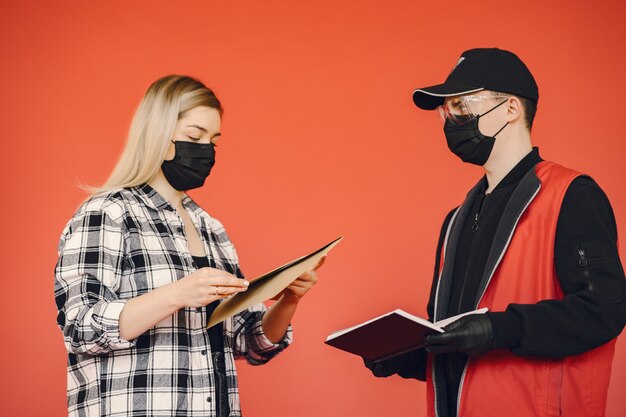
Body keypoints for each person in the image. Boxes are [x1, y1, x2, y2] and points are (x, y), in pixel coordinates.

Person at [363, 48, 626, 417]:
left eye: (462, 106)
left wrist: (497, 329)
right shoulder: (456, 220)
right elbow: (459, 341)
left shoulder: (572, 196)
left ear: (511, 110)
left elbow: (605, 310)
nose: (450, 120)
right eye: (446, 111)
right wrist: (406, 356)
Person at [54, 75, 323, 417]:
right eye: (195, 137)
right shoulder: (107, 212)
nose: (206, 150)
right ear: (157, 135)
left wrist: (289, 298)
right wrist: (177, 294)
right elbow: (79, 328)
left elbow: (247, 341)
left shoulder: (210, 228)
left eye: (214, 141)